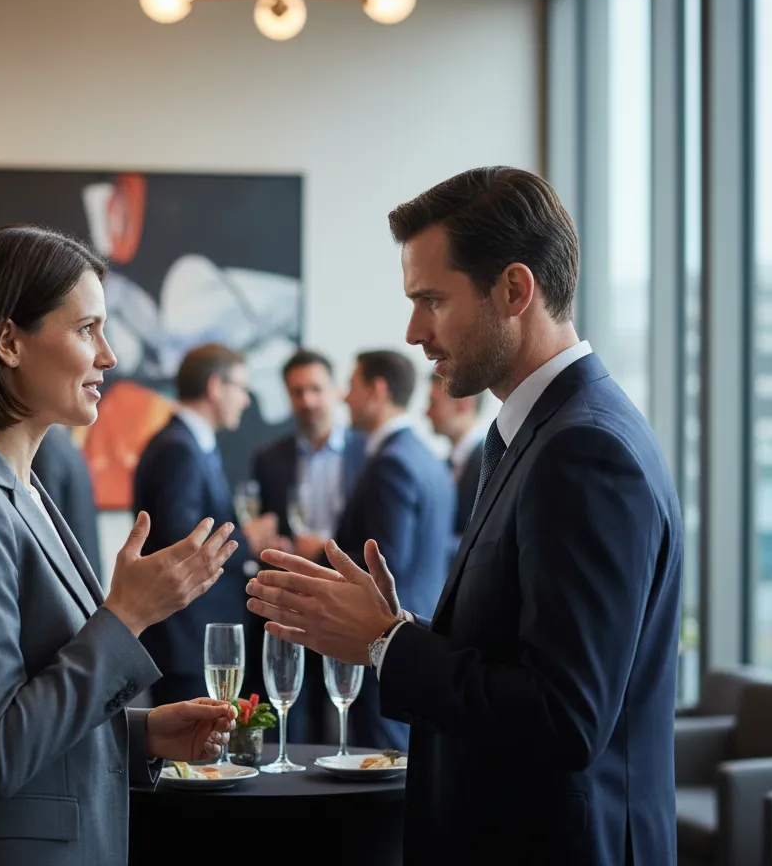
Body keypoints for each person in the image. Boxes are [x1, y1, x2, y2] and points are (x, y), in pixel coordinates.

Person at [246, 167, 683, 865]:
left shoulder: (584, 448)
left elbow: (565, 716)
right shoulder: (537, 433)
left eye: (431, 300)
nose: (413, 332)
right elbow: (519, 650)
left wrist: (387, 643)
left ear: (514, 290)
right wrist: (396, 627)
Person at [0, 225, 237, 866]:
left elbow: (32, 702)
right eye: (86, 330)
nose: (109, 355)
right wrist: (127, 616)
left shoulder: (19, 488)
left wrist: (139, 733)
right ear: (7, 343)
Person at [133, 344, 280, 705]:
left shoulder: (190, 444)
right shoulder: (178, 449)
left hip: (195, 639)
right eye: (241, 388)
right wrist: (249, 541)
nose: (245, 400)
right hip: (188, 641)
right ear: (216, 387)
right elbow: (186, 546)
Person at [336, 349, 454, 750]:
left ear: (377, 390)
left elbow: (384, 566)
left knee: (383, 761)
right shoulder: (427, 456)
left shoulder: (392, 463)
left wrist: (320, 555)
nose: (345, 397)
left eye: (352, 386)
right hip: (421, 633)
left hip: (389, 638)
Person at [251, 349, 365, 743]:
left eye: (316, 389)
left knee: (348, 711)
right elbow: (265, 525)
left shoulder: (367, 452)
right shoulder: (268, 458)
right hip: (292, 604)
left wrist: (326, 548)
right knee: (292, 711)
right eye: (297, 392)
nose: (308, 400)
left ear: (335, 390)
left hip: (349, 599)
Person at [31, 423, 103, 581]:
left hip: (66, 580)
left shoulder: (44, 448)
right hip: (83, 577)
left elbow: (46, 532)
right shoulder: (64, 444)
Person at [426, 377, 485, 544]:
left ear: (463, 404)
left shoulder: (491, 465)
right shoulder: (443, 465)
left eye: (434, 403)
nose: (427, 413)